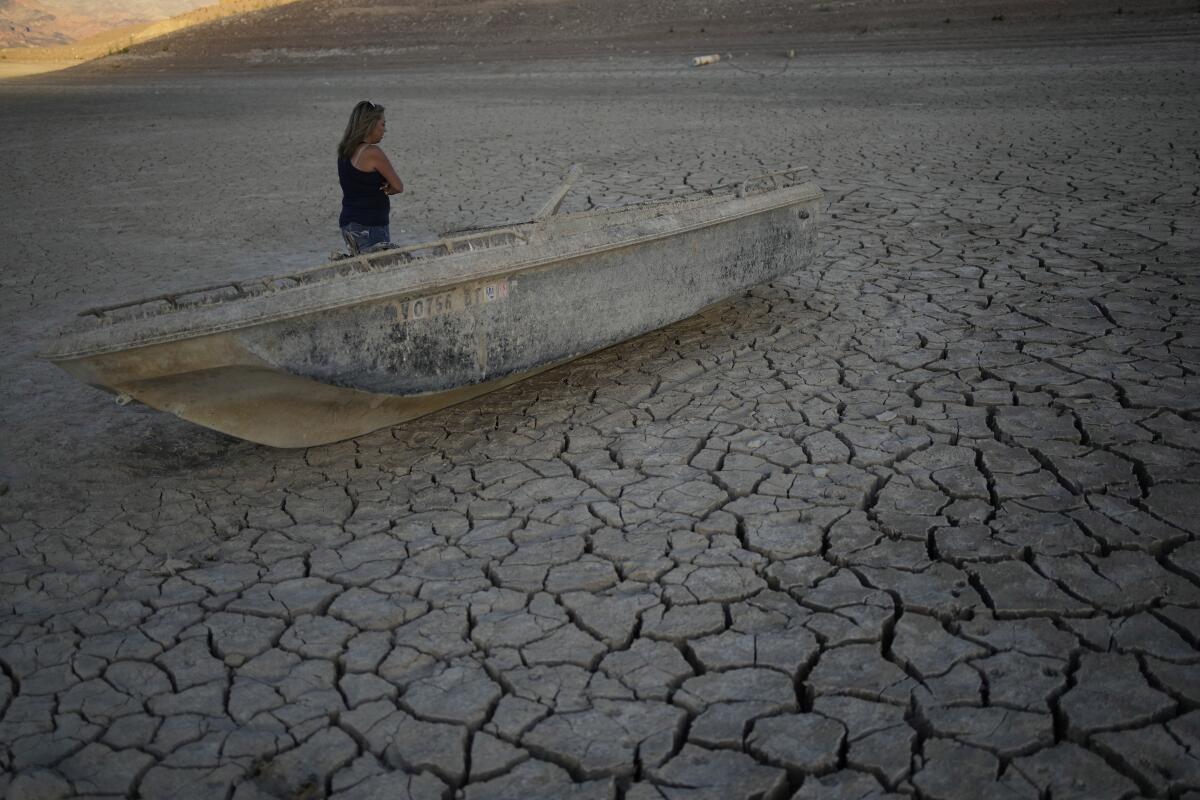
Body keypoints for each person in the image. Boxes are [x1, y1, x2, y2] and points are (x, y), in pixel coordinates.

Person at [336, 100, 404, 254]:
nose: (384, 130)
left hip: (349, 222)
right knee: (380, 268)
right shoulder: (371, 152)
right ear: (371, 125)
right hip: (369, 225)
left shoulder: (344, 152)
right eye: (382, 124)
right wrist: (389, 189)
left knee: (363, 265)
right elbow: (398, 186)